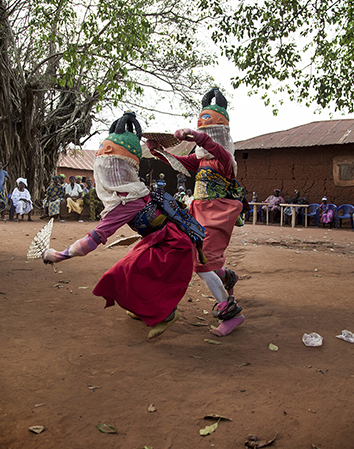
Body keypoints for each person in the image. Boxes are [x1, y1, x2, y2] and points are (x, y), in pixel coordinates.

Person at [42, 112, 205, 339]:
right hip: (165, 239)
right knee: (131, 269)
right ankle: (143, 309)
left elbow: (91, 242)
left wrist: (58, 255)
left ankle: (166, 314)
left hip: (173, 244)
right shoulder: (135, 190)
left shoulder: (124, 201)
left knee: (124, 272)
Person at [147, 87, 246, 337]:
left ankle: (230, 312)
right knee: (202, 259)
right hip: (198, 212)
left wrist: (193, 136)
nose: (203, 136)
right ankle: (226, 277)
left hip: (218, 214)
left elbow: (211, 144)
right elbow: (178, 162)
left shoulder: (225, 159)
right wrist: (157, 150)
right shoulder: (200, 160)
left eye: (206, 132)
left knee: (201, 264)